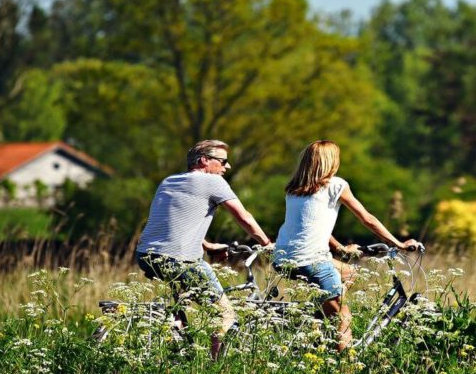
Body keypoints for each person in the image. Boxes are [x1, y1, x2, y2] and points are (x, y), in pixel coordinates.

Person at [274, 140, 421, 351]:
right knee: (344, 318)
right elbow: (366, 218)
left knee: (348, 273)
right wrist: (399, 244)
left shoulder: (294, 189)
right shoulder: (336, 185)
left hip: (282, 258)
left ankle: (319, 321)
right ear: (330, 162)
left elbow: (310, 225)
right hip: (311, 259)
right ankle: (345, 369)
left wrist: (338, 247)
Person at [136, 139, 273, 359]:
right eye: (223, 161)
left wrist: (207, 245)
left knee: (179, 311)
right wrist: (267, 244)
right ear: (204, 161)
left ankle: (177, 354)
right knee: (225, 315)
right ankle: (214, 370)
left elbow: (175, 222)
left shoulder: (169, 181)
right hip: (179, 259)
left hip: (145, 255)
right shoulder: (212, 182)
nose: (227, 167)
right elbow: (243, 217)